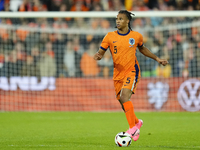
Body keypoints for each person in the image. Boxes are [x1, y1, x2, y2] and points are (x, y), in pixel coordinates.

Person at [93, 10, 168, 141]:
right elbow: (101, 52)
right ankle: (137, 123)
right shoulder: (109, 36)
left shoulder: (136, 36)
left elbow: (143, 49)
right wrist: (98, 55)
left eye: (121, 19)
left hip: (132, 71)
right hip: (117, 74)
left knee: (124, 97)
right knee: (123, 103)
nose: (118, 21)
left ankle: (133, 129)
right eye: (117, 19)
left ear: (128, 21)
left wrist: (157, 59)